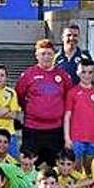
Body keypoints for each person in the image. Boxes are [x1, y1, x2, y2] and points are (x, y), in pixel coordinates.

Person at [16, 38, 73, 169]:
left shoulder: (63, 76)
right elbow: (19, 96)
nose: (46, 57)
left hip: (55, 130)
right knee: (28, 167)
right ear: (36, 55)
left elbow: (68, 99)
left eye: (49, 53)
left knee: (57, 167)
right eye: (43, 54)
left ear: (54, 55)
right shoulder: (28, 75)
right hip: (32, 129)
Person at [64, 58, 94, 173]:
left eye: (90, 72)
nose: (87, 75)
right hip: (76, 138)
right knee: (75, 170)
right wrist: (67, 138)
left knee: (91, 169)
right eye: (83, 72)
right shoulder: (72, 92)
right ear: (77, 73)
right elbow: (67, 117)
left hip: (93, 138)